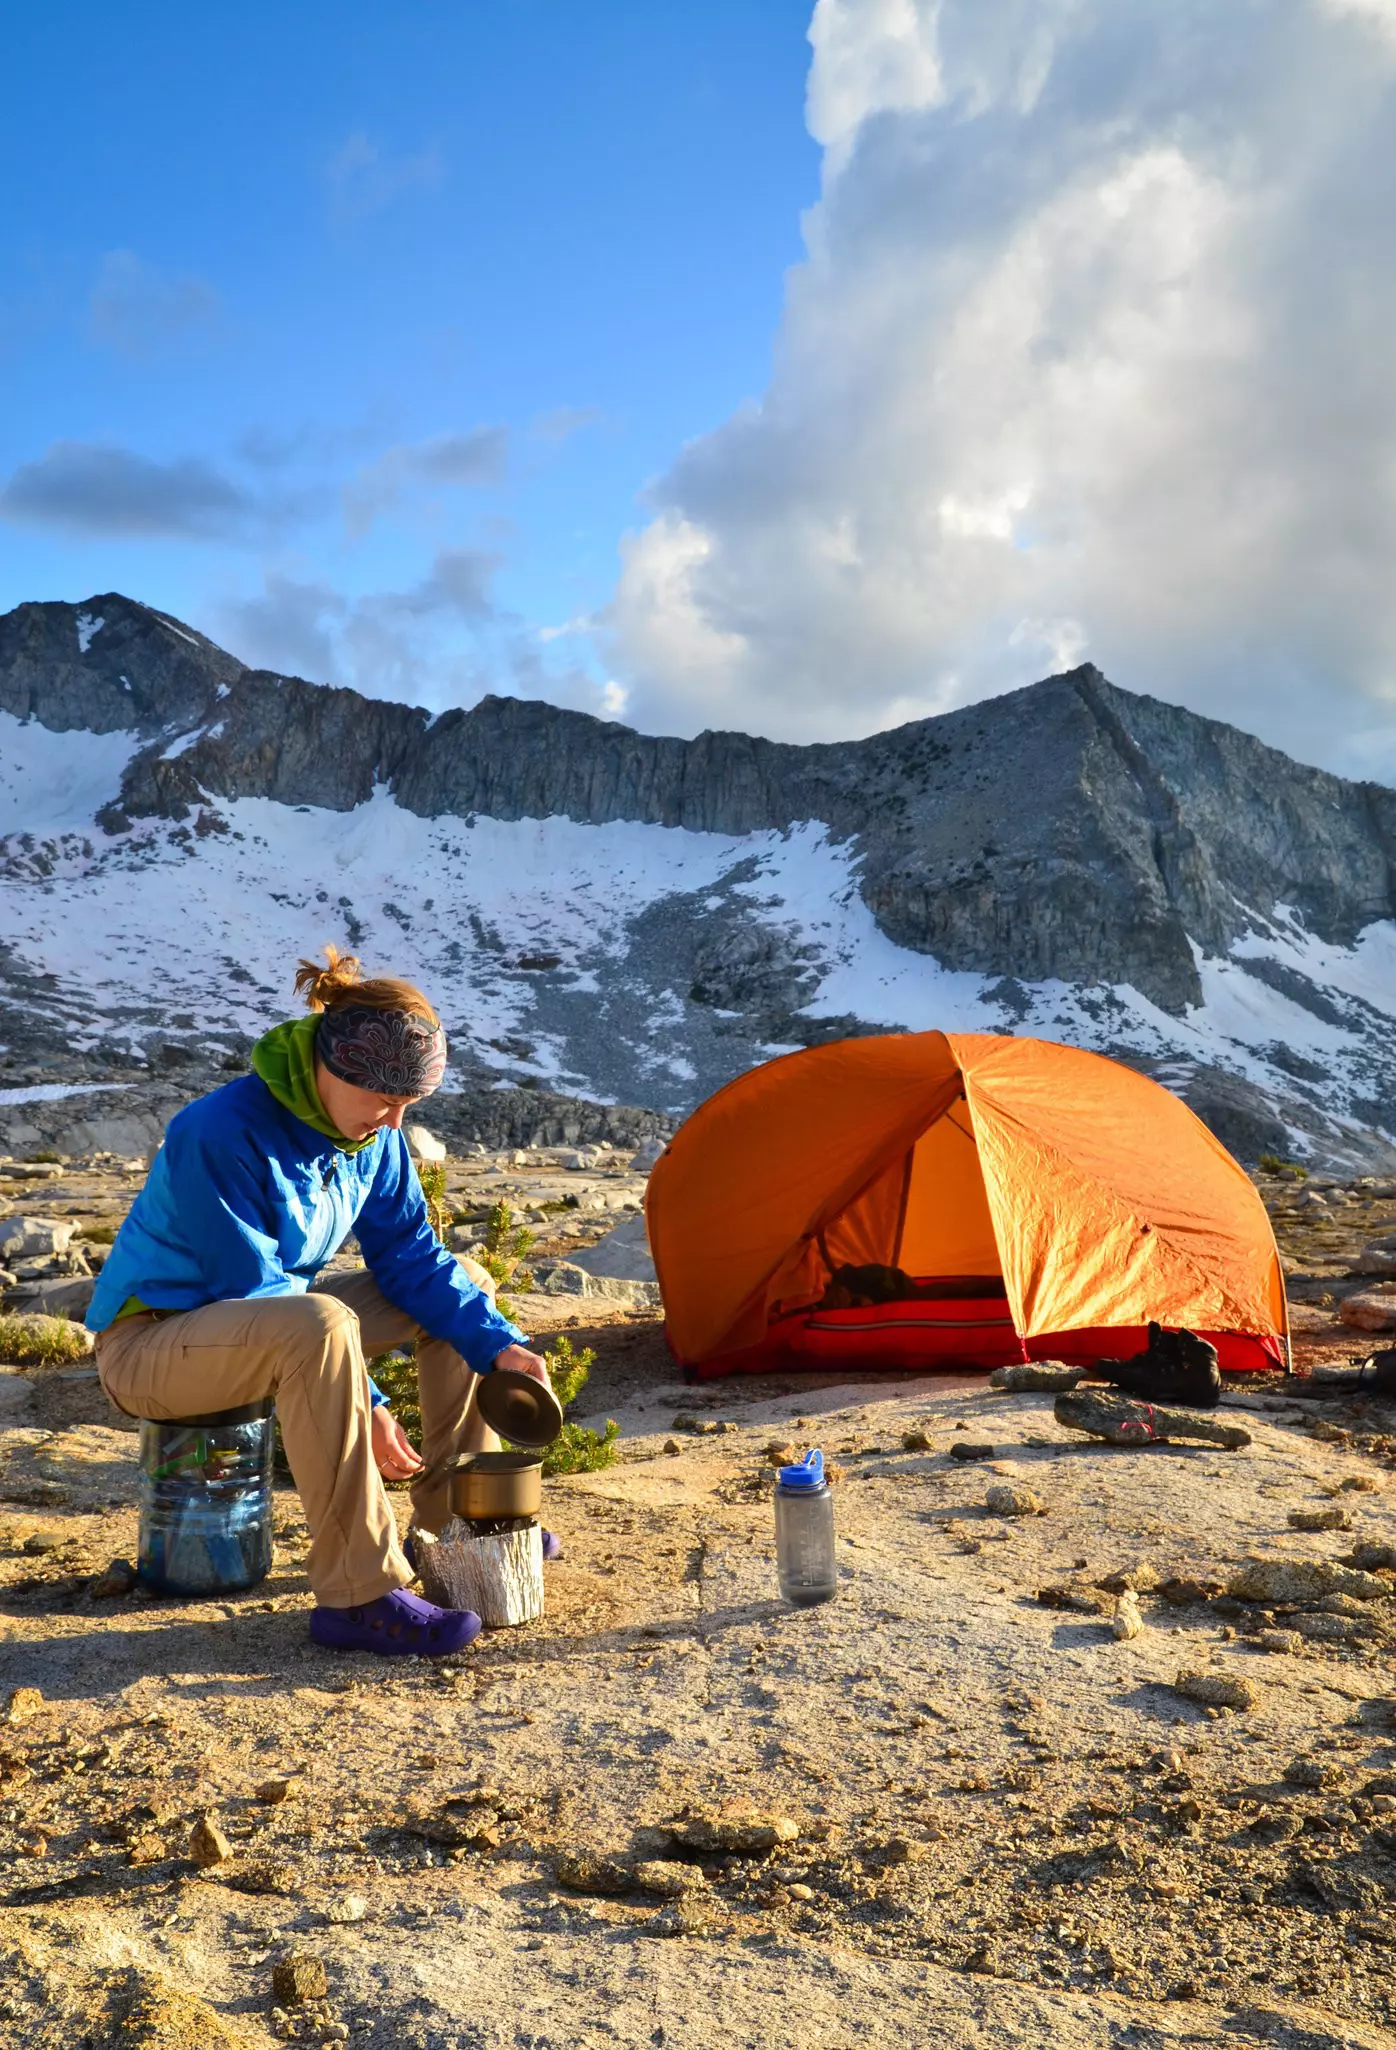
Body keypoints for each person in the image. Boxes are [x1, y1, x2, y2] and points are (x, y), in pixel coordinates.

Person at [88, 947, 555, 1658]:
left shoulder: (369, 1138)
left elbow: (411, 1257)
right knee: (320, 1322)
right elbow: (250, 1282)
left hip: (266, 1324)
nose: (396, 1123)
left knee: (463, 1286)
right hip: (153, 1344)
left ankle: (459, 1523)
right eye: (386, 1102)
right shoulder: (218, 1131)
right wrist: (368, 1404)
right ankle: (358, 1595)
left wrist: (498, 1343)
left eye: (409, 1106)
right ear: (330, 1069)